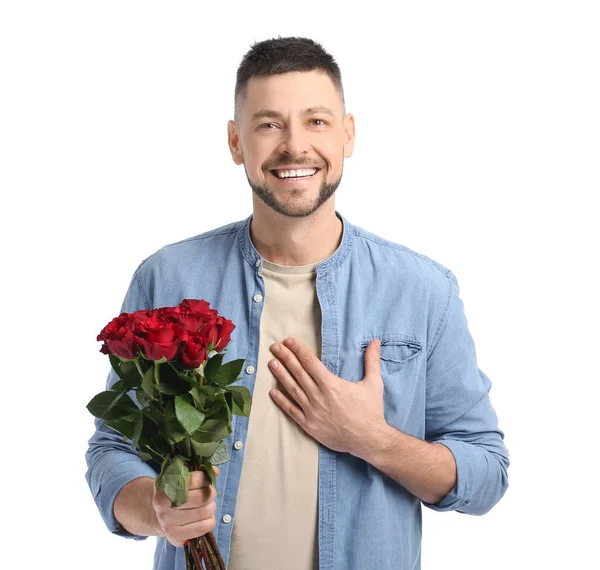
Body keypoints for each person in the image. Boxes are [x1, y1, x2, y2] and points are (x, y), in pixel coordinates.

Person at [86, 36, 509, 570]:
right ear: (236, 142)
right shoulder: (168, 278)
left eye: (316, 121)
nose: (294, 146)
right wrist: (155, 509)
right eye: (268, 124)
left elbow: (486, 472)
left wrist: (372, 439)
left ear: (347, 133)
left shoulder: (423, 290)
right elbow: (111, 451)